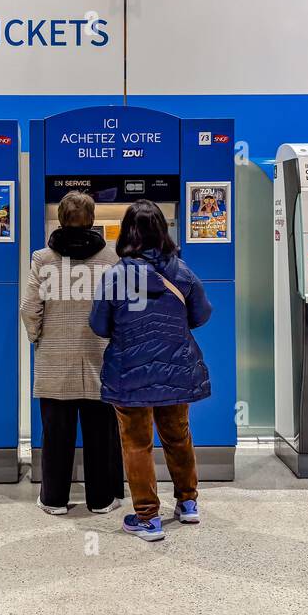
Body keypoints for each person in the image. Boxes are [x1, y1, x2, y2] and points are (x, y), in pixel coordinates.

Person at [89, 200, 211, 542]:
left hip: (130, 374)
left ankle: (148, 518)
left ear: (128, 232)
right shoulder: (182, 272)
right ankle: (188, 503)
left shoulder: (115, 276)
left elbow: (99, 325)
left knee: (137, 444)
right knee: (178, 436)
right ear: (163, 231)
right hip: (175, 369)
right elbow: (201, 316)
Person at [20, 191, 124, 515]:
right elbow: (120, 309)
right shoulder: (111, 259)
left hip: (55, 359)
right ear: (92, 220)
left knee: (56, 434)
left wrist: (37, 337)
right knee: (100, 435)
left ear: (60, 219)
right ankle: (101, 499)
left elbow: (29, 308)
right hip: (99, 358)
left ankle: (54, 500)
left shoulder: (43, 258)